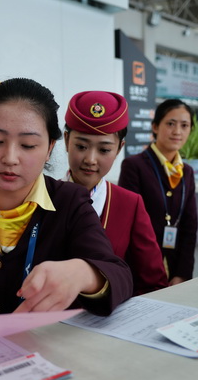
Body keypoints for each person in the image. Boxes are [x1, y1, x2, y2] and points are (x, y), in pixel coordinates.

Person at [0, 78, 133, 317]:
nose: (10, 158)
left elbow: (120, 274)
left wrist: (83, 272)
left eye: (27, 145)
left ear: (49, 148)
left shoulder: (70, 201)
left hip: (44, 346)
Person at [62, 90, 167, 295]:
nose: (90, 159)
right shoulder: (44, 198)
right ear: (66, 141)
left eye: (104, 150)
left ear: (119, 148)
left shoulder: (129, 204)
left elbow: (154, 283)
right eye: (81, 146)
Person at [118, 99, 198, 286]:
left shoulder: (187, 172)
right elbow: (130, 227)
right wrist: (153, 276)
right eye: (170, 124)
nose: (177, 131)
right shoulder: (134, 166)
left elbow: (190, 227)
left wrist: (182, 274)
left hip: (175, 267)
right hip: (141, 270)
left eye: (184, 125)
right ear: (155, 126)